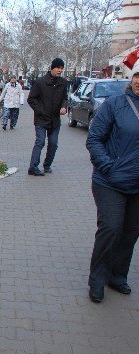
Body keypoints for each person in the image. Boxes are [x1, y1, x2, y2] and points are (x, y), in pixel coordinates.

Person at [86, 72, 139, 303]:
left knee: (129, 233)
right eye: (138, 77)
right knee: (111, 228)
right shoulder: (114, 104)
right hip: (110, 181)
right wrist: (109, 166)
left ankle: (117, 276)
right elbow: (94, 138)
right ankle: (97, 280)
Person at [26, 58, 68, 176]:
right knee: (40, 142)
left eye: (61, 68)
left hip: (55, 120)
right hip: (41, 119)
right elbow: (31, 99)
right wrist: (41, 111)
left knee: (53, 143)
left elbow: (65, 98)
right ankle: (33, 167)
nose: (60, 70)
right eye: (58, 68)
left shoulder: (63, 82)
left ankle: (47, 165)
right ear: (52, 68)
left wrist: (64, 107)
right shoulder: (40, 82)